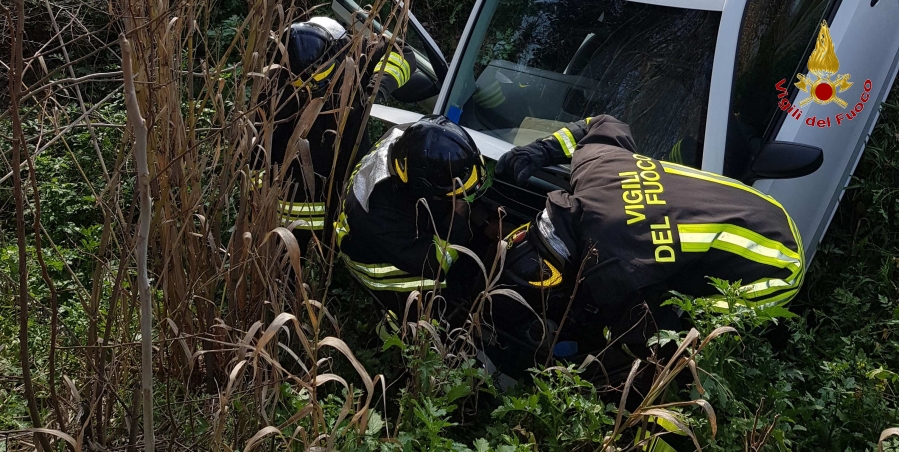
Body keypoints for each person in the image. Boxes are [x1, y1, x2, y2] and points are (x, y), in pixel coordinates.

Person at [490, 114, 806, 384]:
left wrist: (580, 372)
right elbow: (600, 123)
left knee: (692, 345)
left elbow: (647, 338)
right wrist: (541, 150)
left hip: (777, 263)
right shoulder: (595, 169)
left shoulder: (613, 269)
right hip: (761, 206)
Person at [253, 16, 416, 246]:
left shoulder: (356, 54)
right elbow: (256, 150)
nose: (313, 89)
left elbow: (403, 53)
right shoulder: (275, 82)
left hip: (346, 181)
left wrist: (377, 89)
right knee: (290, 257)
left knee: (336, 243)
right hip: (295, 198)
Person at [335, 115, 489, 315]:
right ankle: (398, 327)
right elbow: (435, 264)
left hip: (383, 232)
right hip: (375, 266)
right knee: (426, 288)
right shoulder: (377, 216)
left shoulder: (406, 139)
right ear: (420, 185)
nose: (459, 197)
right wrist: (458, 220)